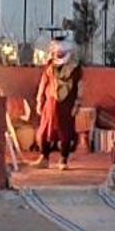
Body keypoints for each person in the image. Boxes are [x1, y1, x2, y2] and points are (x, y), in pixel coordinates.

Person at [34, 36, 82, 169]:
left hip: (66, 105)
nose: (59, 55)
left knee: (65, 132)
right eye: (57, 52)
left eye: (61, 52)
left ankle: (63, 160)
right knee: (44, 131)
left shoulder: (75, 68)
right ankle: (44, 157)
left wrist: (77, 104)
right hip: (50, 104)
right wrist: (39, 101)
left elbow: (79, 87)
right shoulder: (49, 66)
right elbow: (43, 83)